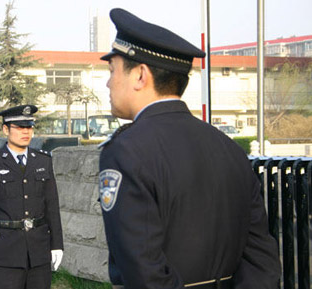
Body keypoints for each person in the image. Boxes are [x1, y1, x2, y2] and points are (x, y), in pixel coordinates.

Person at [98, 8, 281, 289]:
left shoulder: (126, 152)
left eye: (112, 70)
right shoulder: (229, 148)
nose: (109, 82)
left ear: (140, 76)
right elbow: (262, 259)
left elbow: (143, 270)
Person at [0, 105, 64, 289]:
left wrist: (57, 244)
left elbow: (51, 206)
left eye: (29, 127)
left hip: (38, 249)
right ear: (6, 129)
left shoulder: (43, 160)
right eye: (20, 127)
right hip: (6, 251)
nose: (26, 132)